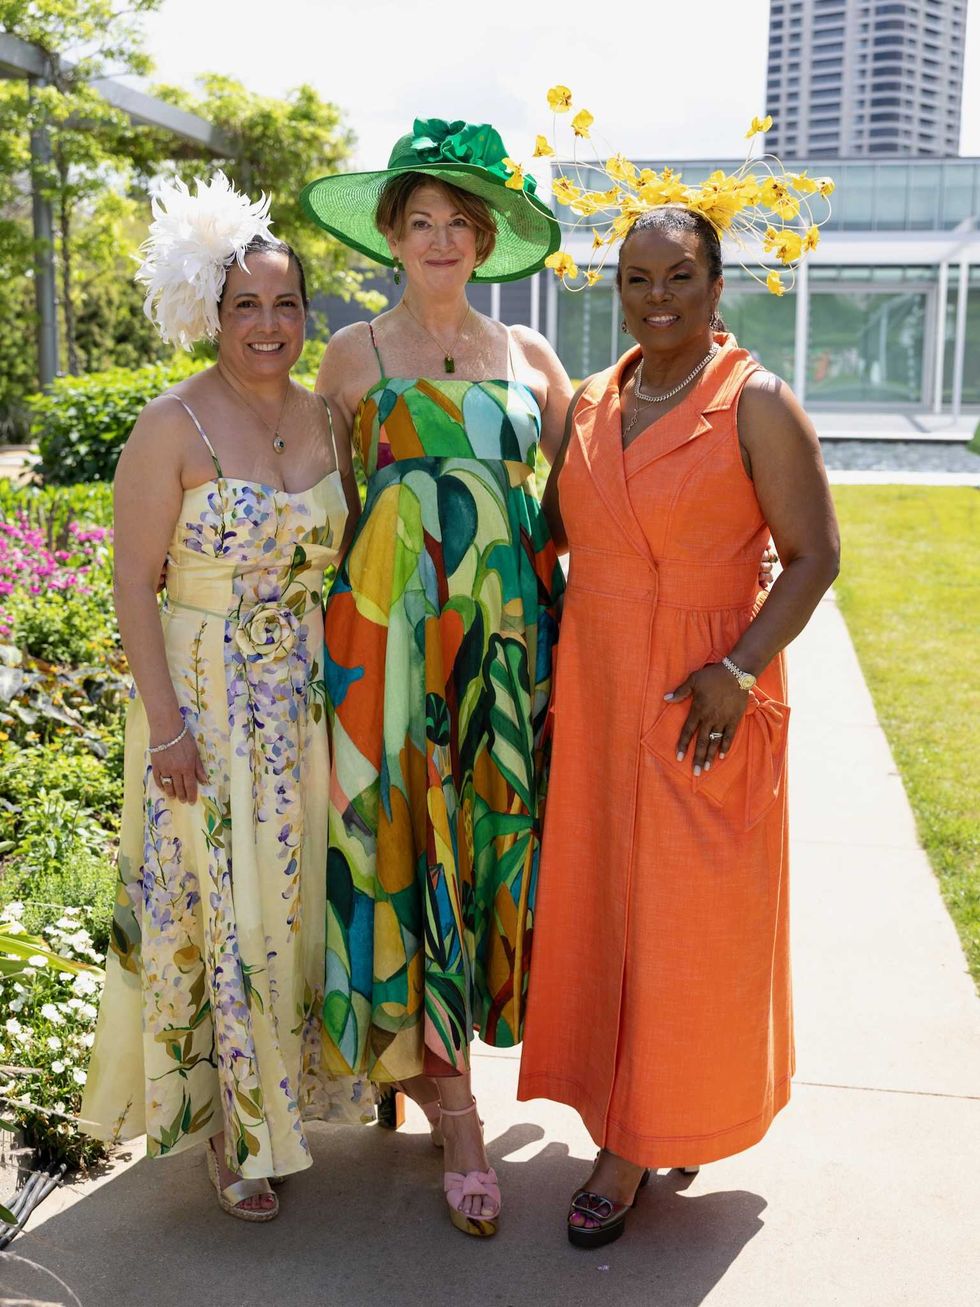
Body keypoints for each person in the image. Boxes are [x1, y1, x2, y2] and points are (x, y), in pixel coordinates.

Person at [518, 201, 841, 1246]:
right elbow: (551, 538)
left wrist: (738, 668)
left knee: (687, 930)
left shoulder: (756, 403)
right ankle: (645, 1110)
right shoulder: (592, 403)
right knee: (604, 910)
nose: (655, 300)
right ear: (613, 290)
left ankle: (632, 1143)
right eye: (635, 280)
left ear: (714, 288)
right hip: (601, 690)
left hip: (702, 694)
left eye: (678, 279)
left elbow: (813, 555)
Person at [80, 173, 370, 1223]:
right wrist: (165, 728)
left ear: (306, 314)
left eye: (285, 303)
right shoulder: (170, 425)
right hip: (201, 702)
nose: (267, 323)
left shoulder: (330, 420)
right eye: (244, 303)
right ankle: (228, 1133)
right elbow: (130, 583)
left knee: (290, 912)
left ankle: (286, 1100)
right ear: (210, 311)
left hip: (302, 700)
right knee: (215, 911)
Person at [301, 118, 570, 1235]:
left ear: (488, 234)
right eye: (421, 221)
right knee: (405, 842)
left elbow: (592, 495)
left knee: (489, 844)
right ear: (390, 237)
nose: (441, 239)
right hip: (389, 648)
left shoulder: (533, 361)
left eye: (461, 222)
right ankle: (453, 1109)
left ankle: (425, 1062)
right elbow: (308, 502)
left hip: (504, 650)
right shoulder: (351, 356)